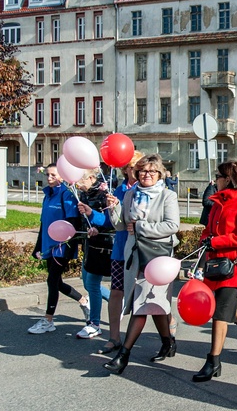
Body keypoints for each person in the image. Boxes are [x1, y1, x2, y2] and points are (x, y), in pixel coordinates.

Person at [103, 154, 180, 375]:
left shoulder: (167, 195)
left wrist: (141, 227)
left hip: (157, 257)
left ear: (159, 174)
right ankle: (168, 342)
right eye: (143, 171)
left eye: (152, 171)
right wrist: (114, 208)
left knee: (142, 305)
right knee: (154, 304)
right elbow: (121, 226)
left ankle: (123, 355)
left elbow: (172, 226)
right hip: (134, 256)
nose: (147, 174)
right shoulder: (130, 194)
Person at [192, 161, 237, 381]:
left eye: (219, 176)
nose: (216, 179)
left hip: (234, 266)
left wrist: (216, 241)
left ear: (229, 179)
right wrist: (205, 241)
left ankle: (213, 361)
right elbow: (209, 229)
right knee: (229, 309)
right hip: (216, 263)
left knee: (220, 312)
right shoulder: (218, 201)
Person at [88, 152, 144, 353]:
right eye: (131, 167)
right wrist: (91, 213)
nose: (135, 171)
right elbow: (110, 222)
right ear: (125, 169)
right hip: (121, 249)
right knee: (116, 292)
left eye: (138, 167)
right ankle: (114, 338)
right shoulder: (119, 190)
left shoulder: (147, 190)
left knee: (146, 295)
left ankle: (167, 330)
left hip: (143, 250)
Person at [28, 163, 90, 334]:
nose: (49, 178)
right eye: (47, 175)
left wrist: (69, 247)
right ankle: (83, 301)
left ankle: (48, 320)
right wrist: (38, 246)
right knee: (57, 282)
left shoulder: (66, 194)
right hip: (49, 246)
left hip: (62, 246)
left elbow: (73, 222)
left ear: (62, 176)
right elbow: (43, 223)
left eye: (53, 175)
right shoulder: (48, 195)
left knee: (52, 280)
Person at [74, 167, 113, 339]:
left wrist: (98, 229)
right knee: (87, 283)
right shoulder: (83, 194)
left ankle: (94, 324)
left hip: (102, 245)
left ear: (91, 178)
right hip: (88, 243)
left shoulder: (104, 193)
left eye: (80, 180)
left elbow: (113, 220)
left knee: (92, 284)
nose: (77, 184)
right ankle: (116, 301)